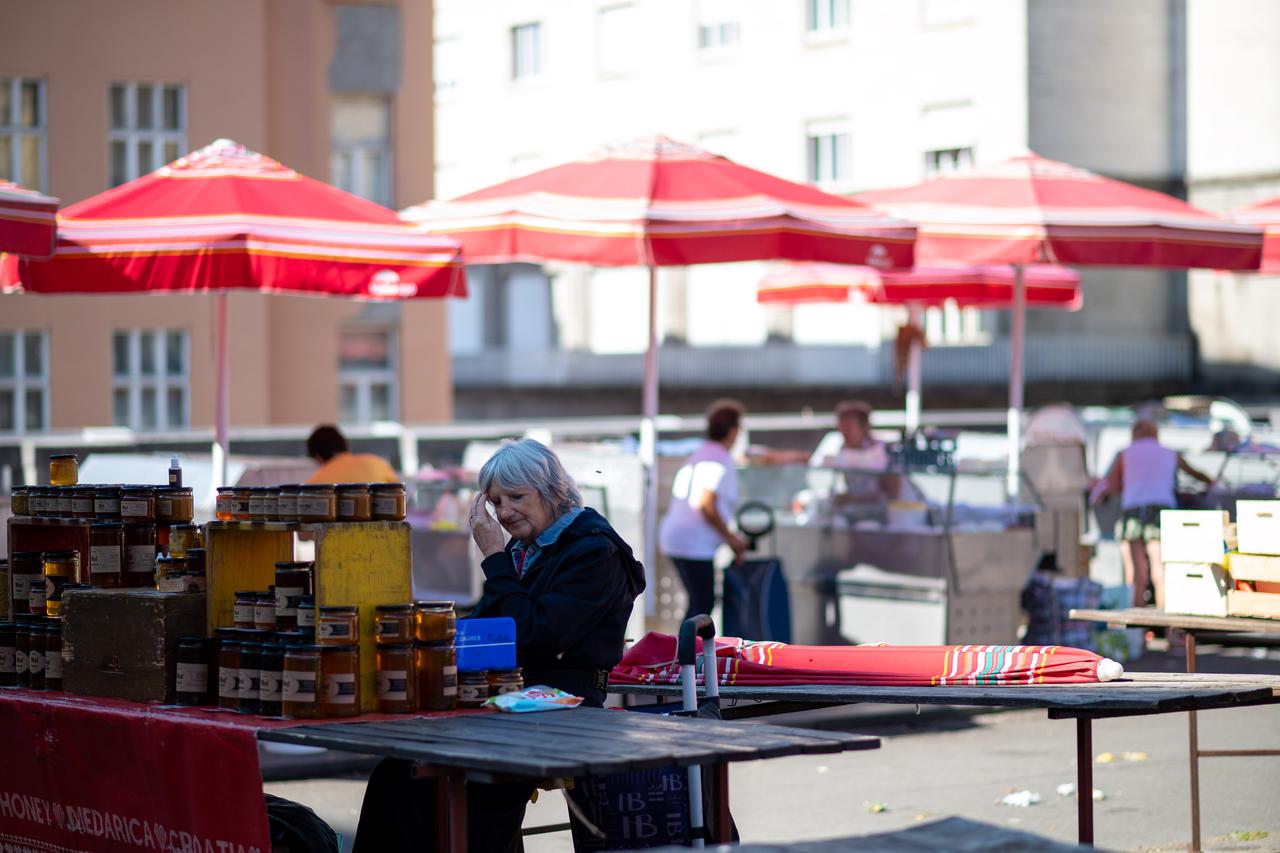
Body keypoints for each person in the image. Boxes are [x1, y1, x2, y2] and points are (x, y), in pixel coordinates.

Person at [353, 439, 645, 853]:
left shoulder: (594, 551)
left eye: (516, 497)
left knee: (476, 784)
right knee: (395, 772)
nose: (505, 512)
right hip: (508, 698)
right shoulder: (526, 548)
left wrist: (493, 557)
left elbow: (536, 633)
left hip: (564, 704)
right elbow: (493, 617)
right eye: (495, 501)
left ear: (552, 491)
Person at [1091, 419, 1213, 609]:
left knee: (1135, 571)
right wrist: (1210, 481)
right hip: (1161, 510)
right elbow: (1195, 473)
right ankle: (1166, 623)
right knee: (1161, 568)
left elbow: (1113, 485)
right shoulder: (1169, 453)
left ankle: (1136, 627)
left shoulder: (1125, 454)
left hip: (1133, 509)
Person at [659, 399, 749, 621]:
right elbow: (705, 502)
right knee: (702, 604)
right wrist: (731, 539)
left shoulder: (701, 453)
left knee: (698, 602)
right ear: (732, 431)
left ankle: (684, 651)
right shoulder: (718, 458)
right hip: (693, 543)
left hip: (678, 538)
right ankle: (686, 654)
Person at [809, 400, 903, 511]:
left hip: (888, 517)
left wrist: (851, 499)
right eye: (841, 428)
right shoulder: (840, 449)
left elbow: (892, 494)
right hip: (858, 514)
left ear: (864, 428)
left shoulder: (884, 453)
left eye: (849, 428)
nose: (844, 434)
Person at [304, 424, 399, 484]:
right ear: (345, 445)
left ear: (318, 458)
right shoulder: (376, 462)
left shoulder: (315, 484)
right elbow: (400, 493)